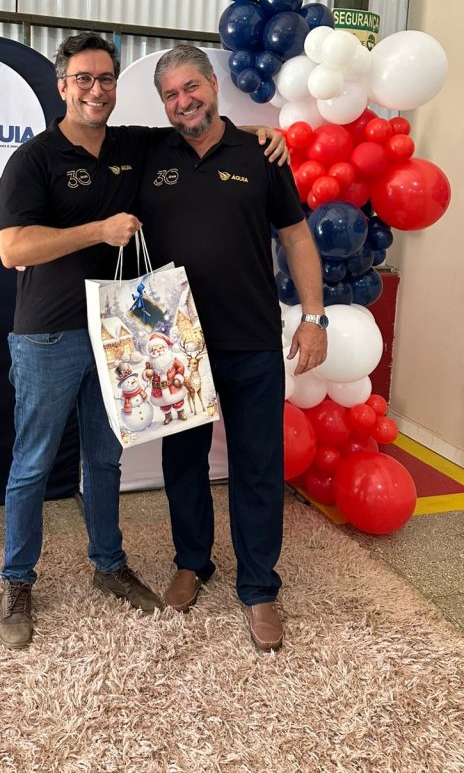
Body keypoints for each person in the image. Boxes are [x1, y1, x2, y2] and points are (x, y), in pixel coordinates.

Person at [0, 33, 288, 649]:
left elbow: (201, 128)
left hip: (118, 335)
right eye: (83, 79)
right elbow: (13, 248)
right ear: (62, 86)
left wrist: (262, 134)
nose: (95, 90)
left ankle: (108, 564)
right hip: (49, 334)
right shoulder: (34, 158)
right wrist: (96, 230)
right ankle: (17, 580)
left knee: (105, 460)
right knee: (33, 464)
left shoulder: (134, 145)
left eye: (105, 79)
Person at [136, 44, 327, 653]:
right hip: (177, 345)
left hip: (250, 339)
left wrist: (314, 318)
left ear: (213, 85)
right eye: (171, 94)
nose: (183, 101)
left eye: (191, 87)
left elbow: (297, 237)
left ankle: (259, 587)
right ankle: (192, 561)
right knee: (182, 462)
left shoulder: (260, 153)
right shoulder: (149, 154)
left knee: (257, 464)